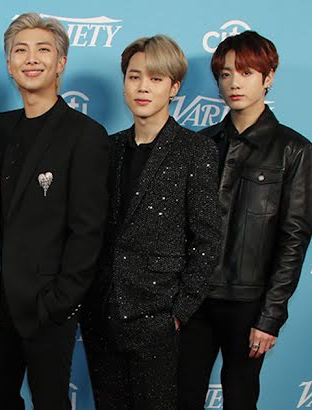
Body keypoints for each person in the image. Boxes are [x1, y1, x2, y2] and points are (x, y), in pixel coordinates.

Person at [0, 12, 110, 409]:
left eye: (43, 50)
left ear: (61, 62)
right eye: (21, 51)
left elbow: (88, 230)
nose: (31, 59)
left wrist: (59, 302)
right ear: (9, 64)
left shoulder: (85, 135)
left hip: (46, 307)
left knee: (51, 402)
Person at [79, 35, 220, 410]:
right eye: (134, 76)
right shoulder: (107, 148)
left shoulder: (196, 150)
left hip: (158, 316)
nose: (143, 87)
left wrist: (178, 312)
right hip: (101, 314)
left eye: (156, 78)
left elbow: (207, 240)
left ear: (174, 87)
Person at [178, 30, 312, 410]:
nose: (234, 83)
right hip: (194, 301)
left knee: (240, 398)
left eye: (247, 72)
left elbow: (294, 240)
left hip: (249, 304)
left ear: (268, 78)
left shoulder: (294, 150)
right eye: (226, 74)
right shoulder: (200, 144)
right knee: (181, 397)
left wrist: (270, 317)